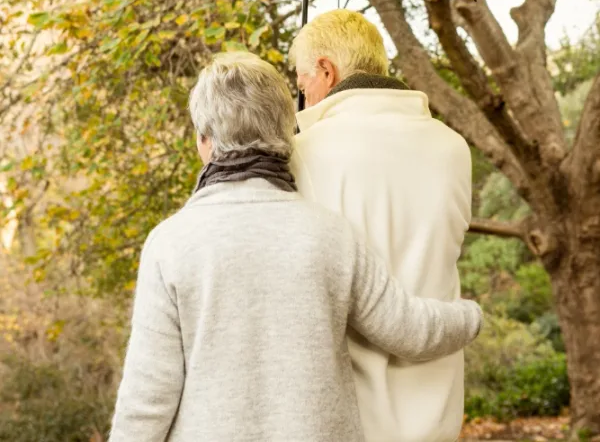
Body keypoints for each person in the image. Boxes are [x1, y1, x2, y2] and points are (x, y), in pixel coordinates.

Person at [109, 52, 481, 442]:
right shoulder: (332, 235)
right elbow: (410, 330)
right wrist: (470, 316)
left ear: (205, 141)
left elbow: (147, 399)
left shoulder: (170, 244)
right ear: (284, 133)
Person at [290, 10, 473, 442]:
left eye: (302, 84)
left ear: (326, 70)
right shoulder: (453, 148)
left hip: (350, 415)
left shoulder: (305, 153)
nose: (303, 98)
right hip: (439, 409)